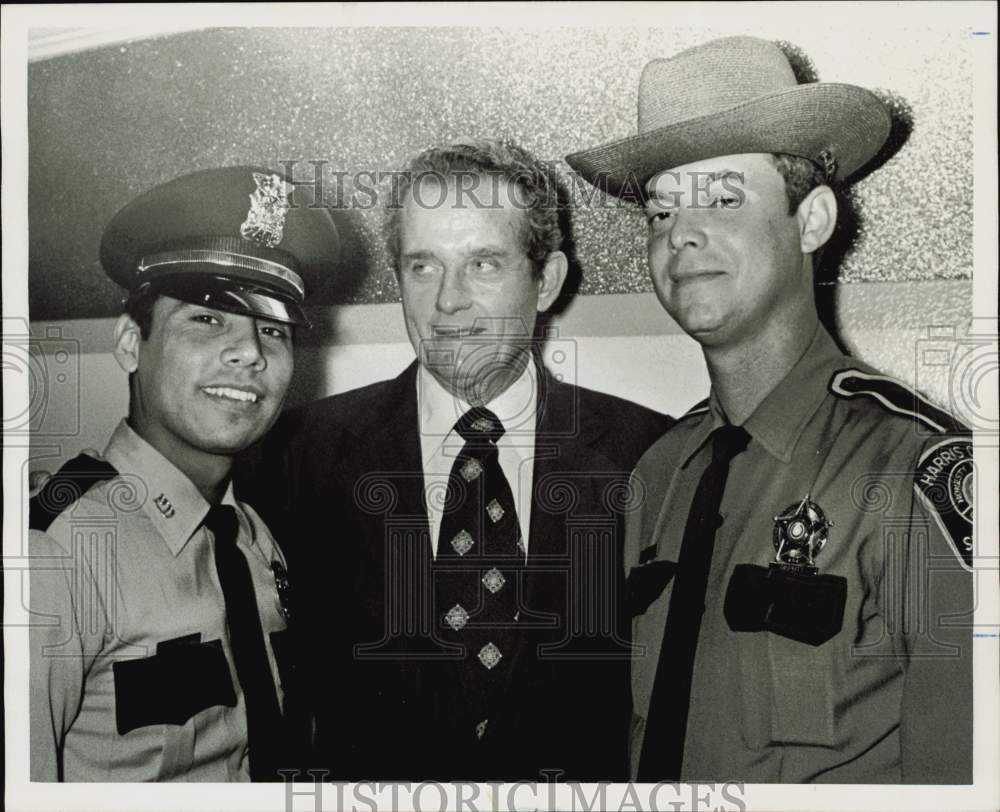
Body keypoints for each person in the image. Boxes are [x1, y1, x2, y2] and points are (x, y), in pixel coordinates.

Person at [566, 36, 974, 783]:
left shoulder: (918, 472)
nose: (680, 233)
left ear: (812, 221)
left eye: (722, 199)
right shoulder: (658, 475)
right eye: (660, 214)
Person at [237, 139, 672, 780]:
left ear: (546, 281)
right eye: (423, 266)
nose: (447, 301)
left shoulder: (650, 454)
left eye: (484, 264)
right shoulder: (292, 456)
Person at [28, 166, 340, 781]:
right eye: (207, 318)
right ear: (128, 344)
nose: (250, 352)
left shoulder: (254, 538)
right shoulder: (52, 553)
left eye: (272, 331)